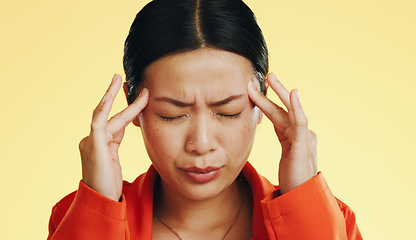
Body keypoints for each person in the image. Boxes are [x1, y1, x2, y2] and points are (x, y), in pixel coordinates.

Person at [47, 0, 362, 239]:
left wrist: (301, 205)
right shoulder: (75, 219)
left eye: (228, 111)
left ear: (261, 105)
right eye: (172, 114)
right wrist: (98, 204)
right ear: (134, 108)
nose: (202, 144)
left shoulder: (331, 221)